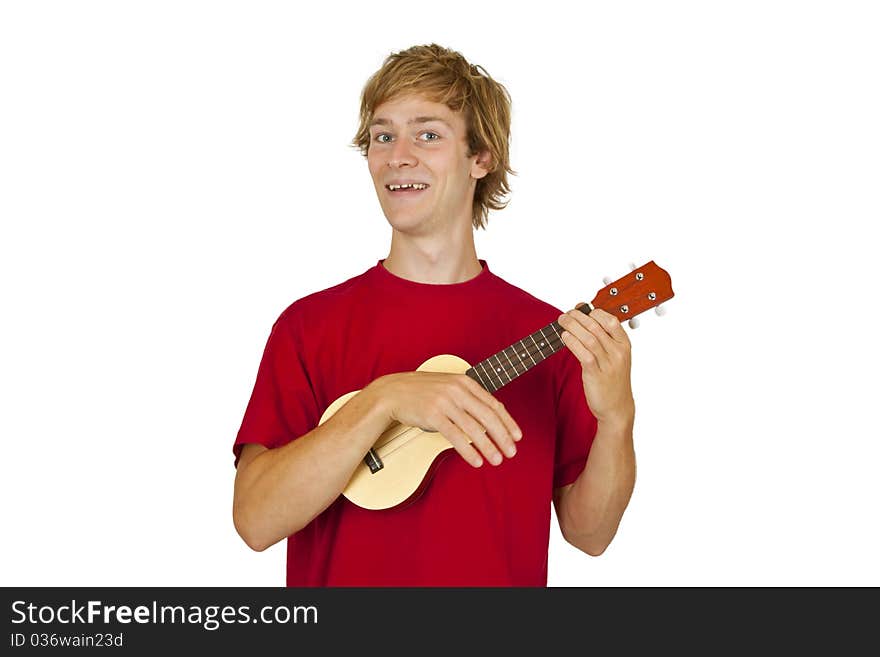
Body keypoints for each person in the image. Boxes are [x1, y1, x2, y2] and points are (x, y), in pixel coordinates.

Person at [231, 43, 637, 586]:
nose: (398, 155)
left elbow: (590, 535)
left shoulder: (551, 338)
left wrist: (617, 419)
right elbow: (255, 520)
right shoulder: (308, 328)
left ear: (481, 158)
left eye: (428, 134)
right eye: (383, 135)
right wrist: (384, 400)